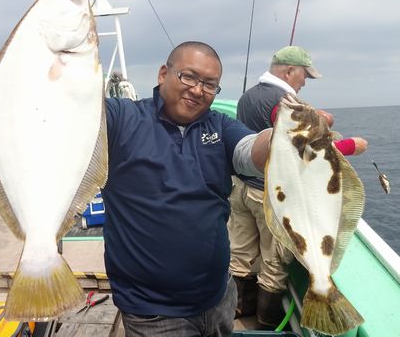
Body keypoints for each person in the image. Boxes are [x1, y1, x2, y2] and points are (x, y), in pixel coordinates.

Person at [101, 41, 271, 337]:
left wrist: (282, 137)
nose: (197, 89)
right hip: (152, 312)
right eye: (189, 76)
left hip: (218, 297)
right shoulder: (121, 118)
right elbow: (73, 111)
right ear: (163, 73)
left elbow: (251, 151)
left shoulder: (219, 126)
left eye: (209, 84)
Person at [227, 45, 368, 330]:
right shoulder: (284, 103)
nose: (304, 82)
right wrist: (350, 145)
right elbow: (297, 151)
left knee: (239, 255)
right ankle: (266, 323)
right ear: (289, 71)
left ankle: (237, 311)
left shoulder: (246, 97)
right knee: (273, 263)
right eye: (304, 76)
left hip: (239, 189)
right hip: (269, 194)